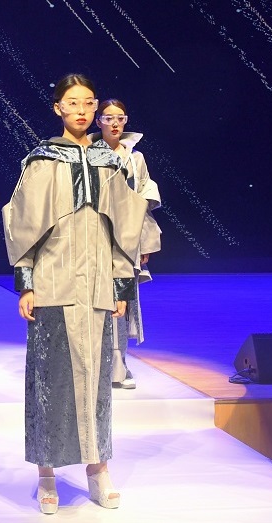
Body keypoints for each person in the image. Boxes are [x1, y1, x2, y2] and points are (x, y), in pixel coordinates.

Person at [1, 74, 147, 514]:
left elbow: (124, 229)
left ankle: (98, 469)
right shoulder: (42, 160)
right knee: (49, 381)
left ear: (95, 107)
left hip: (98, 284)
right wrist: (26, 283)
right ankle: (46, 473)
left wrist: (121, 284)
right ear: (58, 108)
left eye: (87, 103)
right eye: (72, 103)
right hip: (53, 283)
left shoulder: (111, 163)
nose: (81, 111)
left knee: (98, 382)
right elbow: (22, 224)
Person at [96, 98, 163, 391]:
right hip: (96, 233)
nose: (115, 123)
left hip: (127, 238)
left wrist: (144, 240)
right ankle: (97, 365)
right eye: (108, 118)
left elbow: (142, 200)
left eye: (120, 118)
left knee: (122, 302)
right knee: (97, 300)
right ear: (98, 121)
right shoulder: (88, 153)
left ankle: (119, 364)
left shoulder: (135, 158)